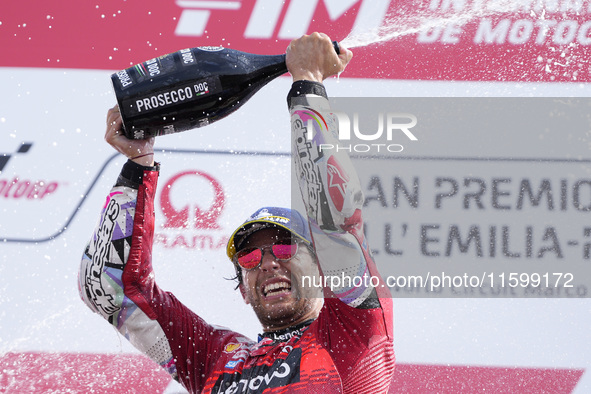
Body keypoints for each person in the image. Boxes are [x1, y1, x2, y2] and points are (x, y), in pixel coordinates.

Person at [79, 32, 395, 393]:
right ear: (244, 291)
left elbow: (335, 220)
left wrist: (307, 83)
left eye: (285, 248)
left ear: (325, 272)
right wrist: (138, 165)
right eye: (249, 256)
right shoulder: (216, 358)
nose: (268, 262)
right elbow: (110, 289)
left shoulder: (352, 332)